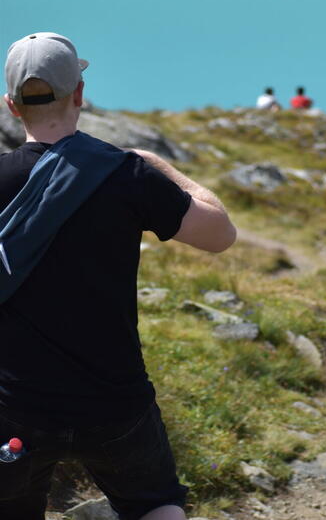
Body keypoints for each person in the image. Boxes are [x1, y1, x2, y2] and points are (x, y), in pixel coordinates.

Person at [0, 31, 236, 520]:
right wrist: (161, 169)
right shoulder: (127, 175)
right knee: (156, 506)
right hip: (114, 403)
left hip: (14, 408)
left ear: (12, 105)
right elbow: (220, 234)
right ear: (80, 96)